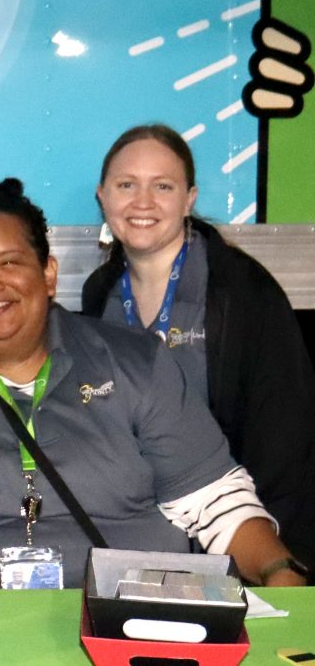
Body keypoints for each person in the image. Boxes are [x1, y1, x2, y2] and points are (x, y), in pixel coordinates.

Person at [0, 178, 308, 589]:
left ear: (48, 274)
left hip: (137, 617)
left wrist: (280, 572)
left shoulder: (134, 362)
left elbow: (214, 503)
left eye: (10, 262)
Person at [82, 124, 315, 576]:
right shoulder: (98, 295)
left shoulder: (244, 292)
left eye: (162, 186)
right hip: (134, 543)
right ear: (102, 196)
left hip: (236, 538)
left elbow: (285, 443)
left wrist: (268, 561)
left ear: (189, 198)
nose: (143, 202)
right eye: (126, 185)